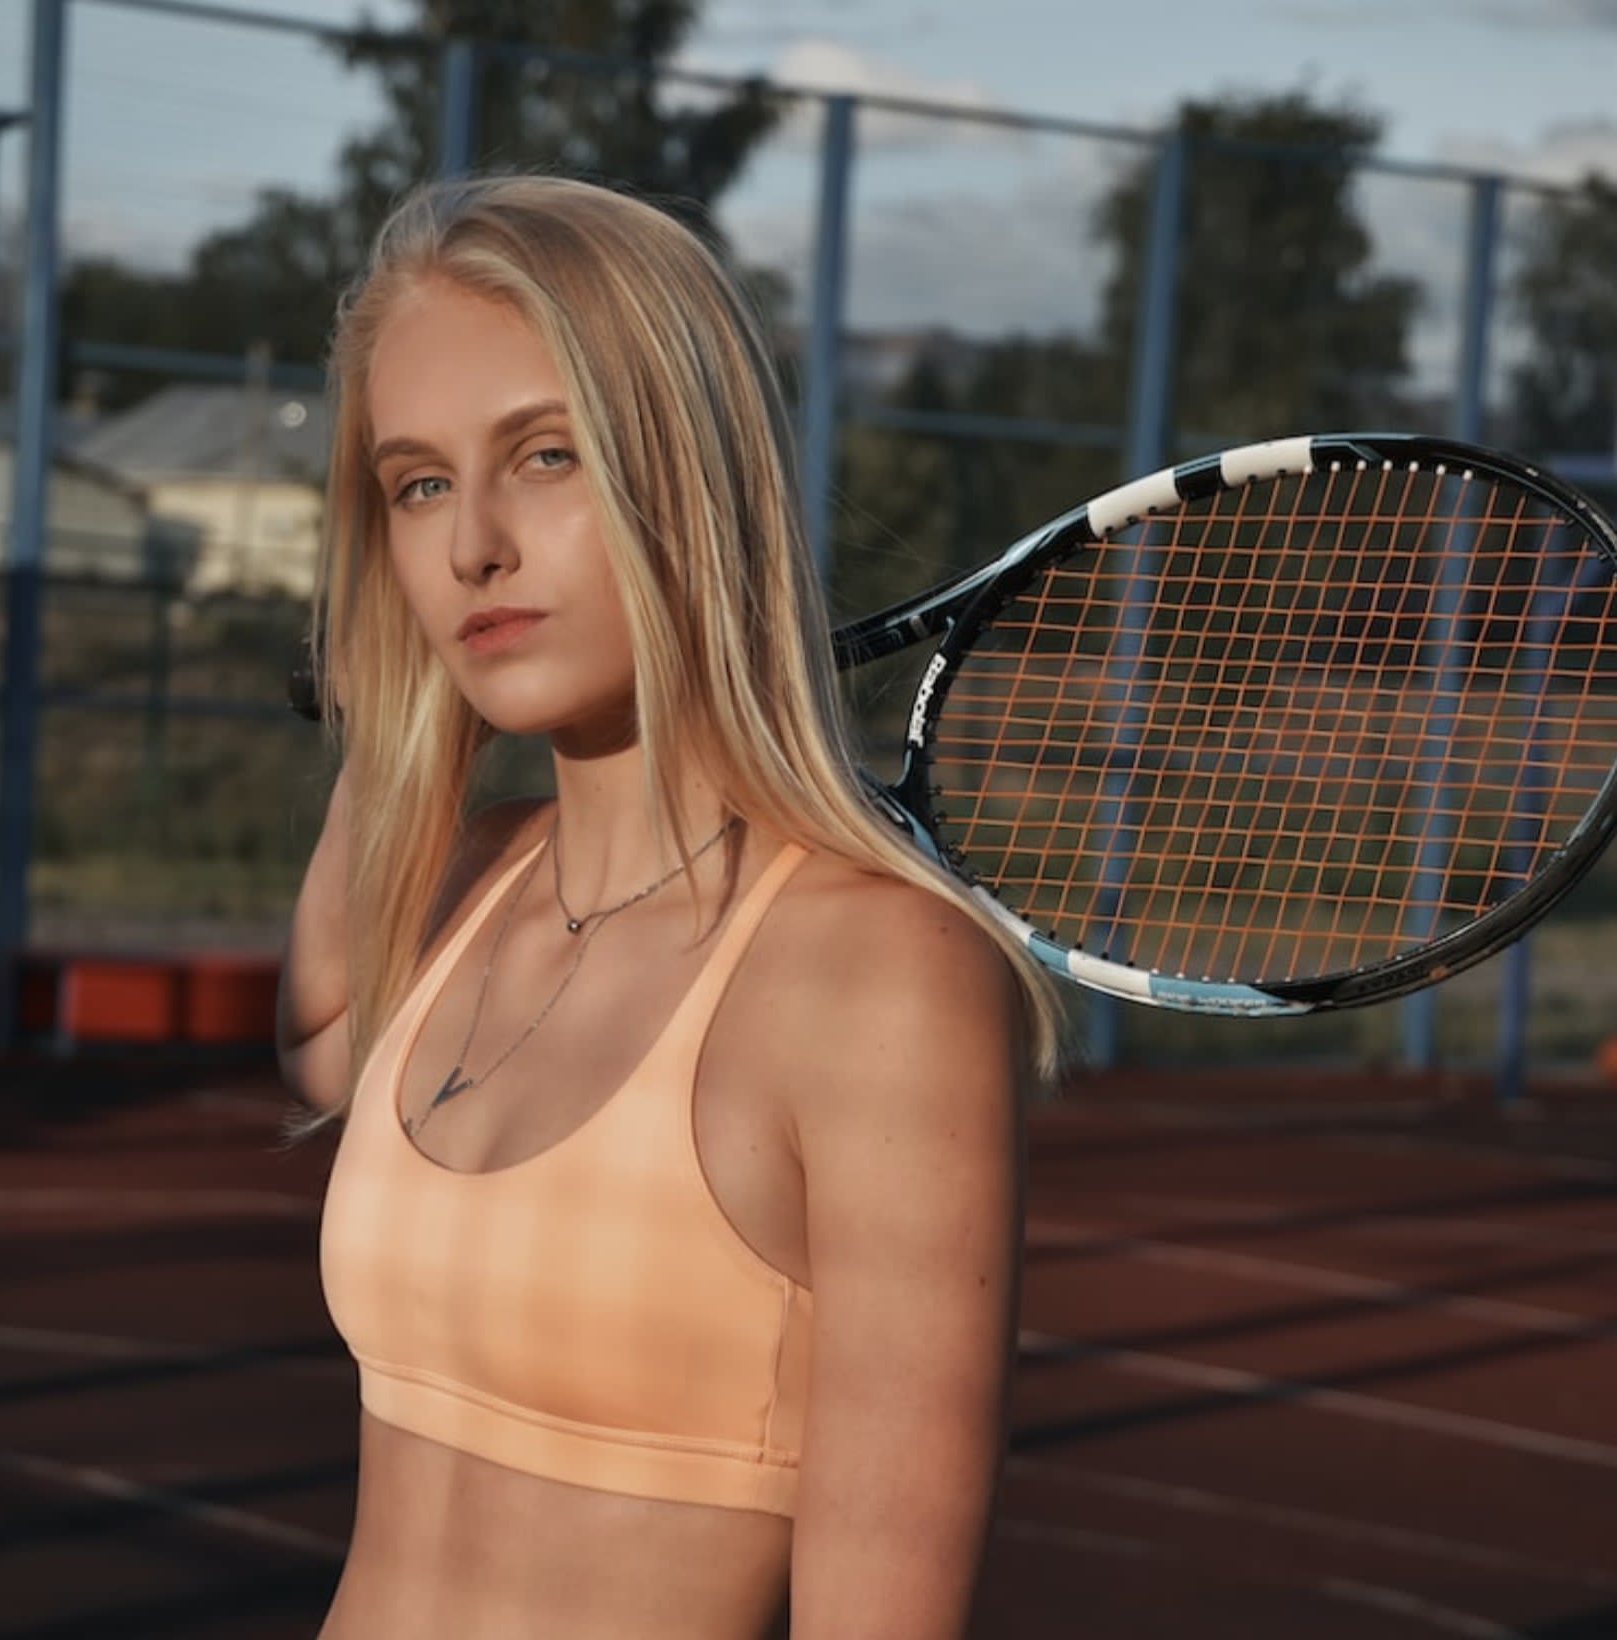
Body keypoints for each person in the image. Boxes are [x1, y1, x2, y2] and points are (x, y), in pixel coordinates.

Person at [276, 173, 1063, 1640]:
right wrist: (403, 730)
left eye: (548, 456)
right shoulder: (470, 888)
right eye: (419, 485)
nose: (471, 550)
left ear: (685, 483)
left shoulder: (881, 978)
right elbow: (322, 1034)